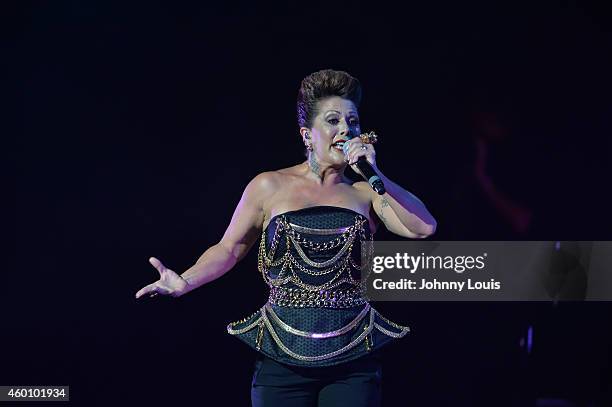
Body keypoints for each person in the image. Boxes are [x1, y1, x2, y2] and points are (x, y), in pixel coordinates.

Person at [135, 69, 437, 406]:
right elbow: (230, 248)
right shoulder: (270, 185)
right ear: (308, 135)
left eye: (352, 121)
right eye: (333, 120)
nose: (345, 130)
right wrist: (185, 281)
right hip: (281, 356)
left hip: (353, 358)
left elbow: (422, 227)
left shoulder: (366, 192)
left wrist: (376, 172)